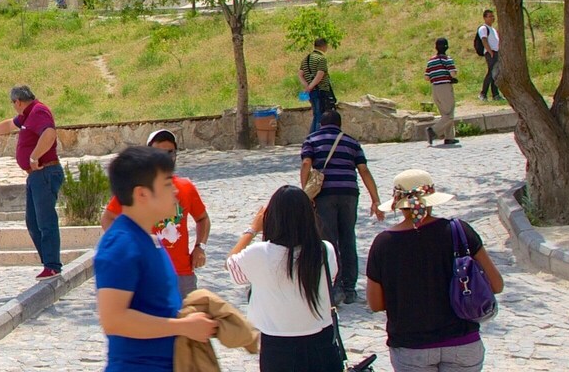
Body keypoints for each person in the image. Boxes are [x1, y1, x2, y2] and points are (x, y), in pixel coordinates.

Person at [368, 170, 504, 372]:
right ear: (431, 199)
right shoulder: (460, 231)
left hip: (411, 347)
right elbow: (496, 284)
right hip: (463, 342)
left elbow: (376, 304)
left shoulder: (383, 244)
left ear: (398, 203)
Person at [95, 147, 218, 369]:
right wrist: (182, 327)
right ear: (142, 194)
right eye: (167, 184)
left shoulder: (149, 240)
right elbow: (113, 320)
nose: (176, 192)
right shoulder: (121, 245)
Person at [225, 186, 340, 372]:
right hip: (322, 343)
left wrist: (252, 229)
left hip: (278, 347)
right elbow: (330, 282)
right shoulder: (325, 250)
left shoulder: (260, 254)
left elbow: (230, 264)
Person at [99, 130, 211, 297]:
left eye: (170, 152)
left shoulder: (185, 187)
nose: (165, 158)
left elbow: (202, 218)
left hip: (181, 272)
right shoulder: (136, 189)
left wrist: (199, 247)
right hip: (146, 272)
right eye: (159, 153)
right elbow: (108, 217)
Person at [0, 86, 64, 280]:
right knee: (33, 222)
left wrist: (35, 156)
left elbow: (49, 133)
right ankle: (48, 262)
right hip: (35, 176)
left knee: (45, 221)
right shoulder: (27, 115)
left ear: (17, 101)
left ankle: (52, 264)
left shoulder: (38, 111)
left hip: (45, 171)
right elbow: (10, 125)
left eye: (13, 103)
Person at [300, 110, 382, 305]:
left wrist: (305, 193)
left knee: (328, 241)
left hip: (324, 195)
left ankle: (333, 287)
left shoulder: (312, 139)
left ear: (321, 124)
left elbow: (306, 163)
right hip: (349, 194)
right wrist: (375, 199)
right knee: (348, 237)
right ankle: (349, 288)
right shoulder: (351, 142)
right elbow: (363, 170)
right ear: (339, 124)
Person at [425, 38, 461, 146]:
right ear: (446, 47)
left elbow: (426, 77)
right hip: (445, 88)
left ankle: (449, 137)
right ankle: (433, 131)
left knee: (444, 114)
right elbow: (453, 74)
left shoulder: (431, 61)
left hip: (435, 88)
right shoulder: (447, 59)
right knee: (449, 115)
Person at [302, 38, 337, 133]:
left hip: (311, 92)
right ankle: (317, 137)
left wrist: (307, 87)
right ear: (324, 46)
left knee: (316, 114)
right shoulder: (321, 58)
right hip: (321, 90)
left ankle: (312, 137)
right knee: (321, 116)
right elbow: (320, 74)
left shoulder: (306, 59)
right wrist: (311, 86)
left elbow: (300, 74)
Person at [476, 9, 503, 101]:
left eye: (493, 16)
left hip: (496, 52)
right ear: (485, 18)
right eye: (490, 16)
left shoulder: (493, 29)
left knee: (496, 74)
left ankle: (495, 94)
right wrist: (490, 51)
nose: (492, 18)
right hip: (490, 53)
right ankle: (483, 93)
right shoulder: (483, 28)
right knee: (491, 72)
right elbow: (484, 40)